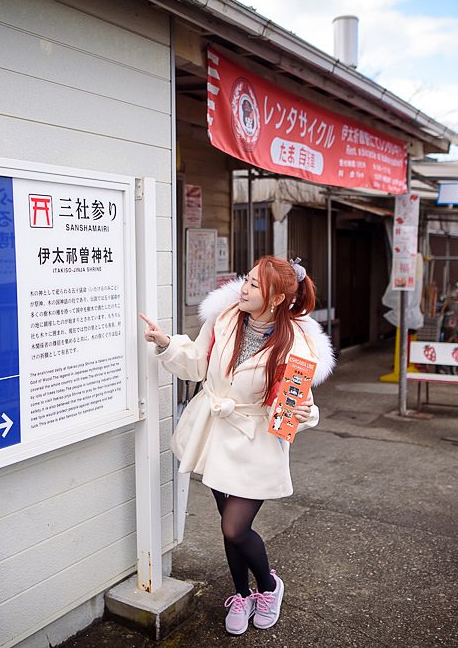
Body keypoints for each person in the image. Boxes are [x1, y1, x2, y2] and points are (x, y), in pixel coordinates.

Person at [139, 256, 335, 635]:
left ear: (277, 298)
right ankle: (241, 594)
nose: (243, 288)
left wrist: (304, 410)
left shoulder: (296, 341)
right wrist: (166, 343)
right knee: (226, 521)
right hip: (215, 435)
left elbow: (295, 404)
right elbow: (197, 365)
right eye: (246, 280)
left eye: (255, 285)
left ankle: (268, 587)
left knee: (234, 527)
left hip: (255, 442)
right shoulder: (224, 319)